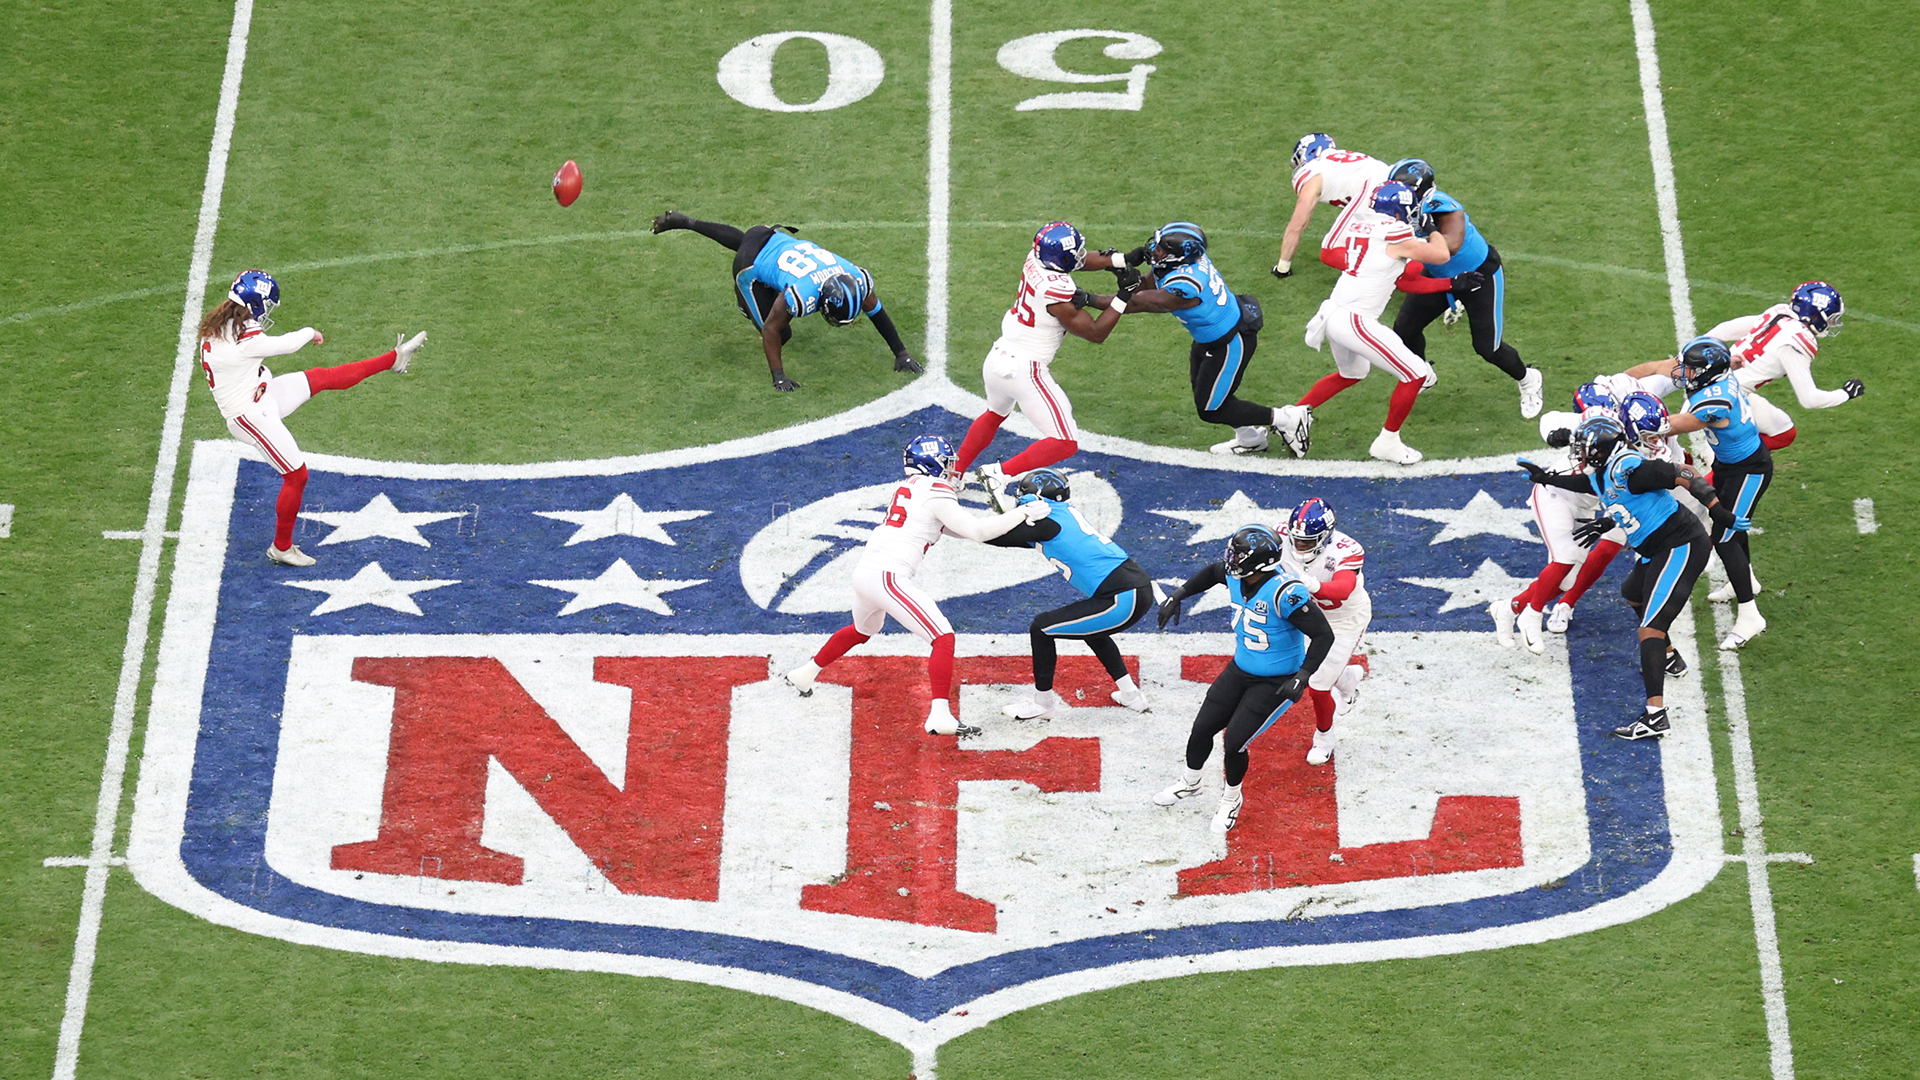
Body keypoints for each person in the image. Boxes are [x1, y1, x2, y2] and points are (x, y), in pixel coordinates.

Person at [782, 434, 1051, 737]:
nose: (951, 469)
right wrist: (1022, 512)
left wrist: (1015, 525)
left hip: (867, 573)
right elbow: (976, 531)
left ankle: (805, 674)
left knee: (863, 630)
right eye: (947, 462)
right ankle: (940, 715)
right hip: (888, 577)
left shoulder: (908, 487)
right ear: (932, 463)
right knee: (943, 637)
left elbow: (957, 528)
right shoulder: (936, 490)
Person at [1521, 415, 1737, 740]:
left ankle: (1655, 716)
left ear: (1601, 451)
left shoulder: (1632, 469)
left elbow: (1685, 474)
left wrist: (1716, 509)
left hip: (1680, 546)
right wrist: (1548, 478)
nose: (1581, 456)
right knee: (1632, 592)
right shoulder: (1605, 472)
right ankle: (1668, 657)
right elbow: (1595, 487)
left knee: (1650, 628)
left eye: (1586, 450)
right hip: (1656, 548)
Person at [196, 269, 427, 567]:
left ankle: (393, 358)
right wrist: (310, 331)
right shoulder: (243, 340)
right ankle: (282, 547)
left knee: (321, 377)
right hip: (249, 415)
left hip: (258, 393)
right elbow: (289, 345)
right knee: (297, 475)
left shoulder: (225, 322)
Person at [1151, 525, 1335, 832]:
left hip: (1275, 680)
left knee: (1234, 741)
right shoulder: (1236, 575)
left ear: (1258, 562)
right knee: (1202, 728)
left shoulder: (1285, 593)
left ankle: (1231, 799)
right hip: (1240, 668)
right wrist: (1179, 594)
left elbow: (1323, 635)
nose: (1230, 559)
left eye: (1237, 555)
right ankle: (1190, 783)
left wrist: (1303, 676)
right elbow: (1212, 572)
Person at [952, 222, 1140, 496]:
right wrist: (1124, 296)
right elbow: (1096, 333)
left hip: (998, 357)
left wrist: (1120, 259)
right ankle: (999, 475)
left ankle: (954, 474)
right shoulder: (1058, 289)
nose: (1080, 255)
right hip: (1026, 369)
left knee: (994, 414)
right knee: (1065, 442)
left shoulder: (1036, 260)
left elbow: (1078, 260)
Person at [651, 211, 920, 392]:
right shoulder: (804, 294)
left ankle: (686, 222)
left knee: (748, 240)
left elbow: (876, 310)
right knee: (782, 333)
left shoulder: (856, 280)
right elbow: (770, 329)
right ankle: (745, 301)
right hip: (750, 268)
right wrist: (778, 376)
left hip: (768, 235)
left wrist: (902, 353)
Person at [1292, 182, 1454, 464]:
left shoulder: (1362, 226)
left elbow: (1403, 273)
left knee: (1352, 373)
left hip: (1333, 313)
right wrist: (1432, 230)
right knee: (1416, 373)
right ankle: (1388, 442)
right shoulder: (1397, 233)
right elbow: (1441, 255)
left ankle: (1292, 416)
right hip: (1356, 319)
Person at [1119, 222, 1311, 456]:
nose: (1155, 251)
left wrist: (1089, 299)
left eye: (1161, 248)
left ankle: (1287, 418)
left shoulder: (1186, 285)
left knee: (1211, 408)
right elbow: (1144, 286)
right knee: (1208, 394)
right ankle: (1250, 438)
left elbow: (1138, 302)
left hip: (1229, 342)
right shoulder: (1182, 264)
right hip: (1209, 338)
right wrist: (1122, 268)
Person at [983, 468, 1155, 719]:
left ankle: (1043, 704)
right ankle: (1130, 695)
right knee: (1093, 630)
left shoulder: (1046, 523)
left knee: (1041, 628)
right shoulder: (1058, 516)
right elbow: (1001, 535)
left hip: (1123, 597)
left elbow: (988, 535)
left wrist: (945, 523)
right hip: (1130, 590)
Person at [1383, 159, 1544, 419]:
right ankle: (1424, 373)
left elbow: (1452, 245)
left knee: (1487, 347)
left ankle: (1529, 380)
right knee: (1404, 328)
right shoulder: (1400, 207)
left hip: (1478, 275)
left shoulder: (1440, 205)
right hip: (1440, 274)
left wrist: (1427, 231)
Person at [1654, 337, 1772, 649]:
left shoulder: (1713, 402)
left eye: (1691, 369)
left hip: (1750, 470)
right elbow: (1720, 367)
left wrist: (1633, 423)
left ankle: (1750, 616)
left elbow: (1674, 425)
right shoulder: (1720, 377)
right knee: (1729, 529)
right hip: (1730, 465)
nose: (1684, 373)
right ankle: (1745, 581)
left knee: (1724, 535)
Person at [1276, 498, 1370, 766]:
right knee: (1288, 659)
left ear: (1325, 537)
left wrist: (1311, 584)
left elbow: (1342, 590)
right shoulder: (1282, 534)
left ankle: (1324, 739)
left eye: (1307, 541)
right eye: (1296, 540)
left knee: (1317, 687)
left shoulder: (1347, 550)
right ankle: (1346, 677)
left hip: (1343, 620)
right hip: (1304, 612)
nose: (1299, 546)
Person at [1268, 133, 1391, 280]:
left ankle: (1385, 274)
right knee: (1398, 236)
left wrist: (1282, 267)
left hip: (1374, 188)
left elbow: (1297, 224)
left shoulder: (1312, 171)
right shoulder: (1341, 159)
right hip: (1394, 181)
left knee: (1331, 250)